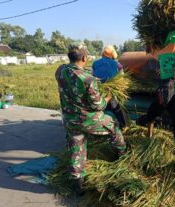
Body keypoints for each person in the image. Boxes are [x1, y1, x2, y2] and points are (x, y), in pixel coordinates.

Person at [55, 42, 127, 194]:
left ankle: (77, 182)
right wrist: (107, 98)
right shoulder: (88, 79)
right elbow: (98, 106)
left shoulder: (60, 71)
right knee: (113, 126)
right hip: (88, 119)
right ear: (84, 57)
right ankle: (122, 153)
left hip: (70, 120)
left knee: (77, 147)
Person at [92, 45, 127, 129]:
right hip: (110, 92)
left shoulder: (95, 63)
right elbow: (121, 78)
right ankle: (124, 125)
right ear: (112, 54)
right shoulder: (117, 64)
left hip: (98, 90)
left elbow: (92, 76)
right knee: (116, 107)